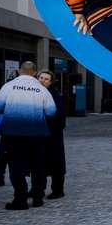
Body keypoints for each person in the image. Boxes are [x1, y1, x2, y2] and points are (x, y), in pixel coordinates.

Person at [0, 61, 56, 210]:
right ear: (34, 73)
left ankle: (20, 200)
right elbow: (51, 112)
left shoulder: (8, 87)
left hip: (13, 134)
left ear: (20, 71)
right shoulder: (42, 90)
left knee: (16, 167)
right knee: (38, 166)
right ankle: (38, 198)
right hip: (37, 134)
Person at [37, 70, 67, 199]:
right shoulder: (35, 93)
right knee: (38, 163)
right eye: (41, 77)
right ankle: (38, 189)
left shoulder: (55, 96)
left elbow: (61, 119)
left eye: (46, 79)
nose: (42, 81)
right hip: (39, 135)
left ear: (51, 82)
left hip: (53, 135)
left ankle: (58, 190)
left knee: (56, 163)